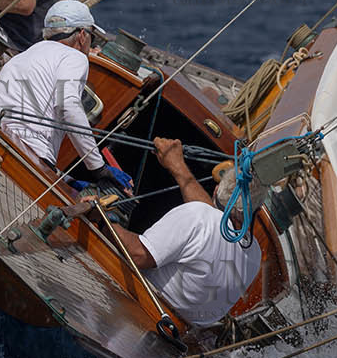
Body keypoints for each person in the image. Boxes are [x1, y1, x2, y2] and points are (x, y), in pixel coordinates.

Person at [111, 137, 262, 327]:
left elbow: (137, 254)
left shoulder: (199, 217)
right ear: (254, 210)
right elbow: (211, 222)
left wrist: (105, 218)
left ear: (216, 190)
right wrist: (178, 166)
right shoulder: (254, 253)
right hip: (180, 331)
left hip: (141, 313)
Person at [0, 0, 131, 189]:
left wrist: (70, 181)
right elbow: (68, 105)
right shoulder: (75, 57)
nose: (92, 44)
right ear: (82, 36)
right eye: (92, 37)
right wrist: (98, 168)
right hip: (29, 158)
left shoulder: (24, 55)